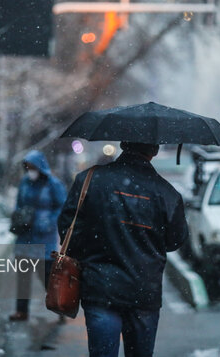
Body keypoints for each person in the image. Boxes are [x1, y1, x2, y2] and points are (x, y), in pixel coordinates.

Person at [57, 142, 189, 357]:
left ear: (123, 145)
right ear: (154, 151)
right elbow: (176, 241)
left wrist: (89, 255)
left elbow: (68, 227)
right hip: (144, 290)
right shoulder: (167, 193)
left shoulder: (90, 180)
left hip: (100, 287)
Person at [9, 150, 67, 322]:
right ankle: (21, 311)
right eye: (27, 167)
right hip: (25, 236)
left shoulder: (53, 184)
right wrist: (19, 217)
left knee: (47, 278)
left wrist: (48, 221)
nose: (30, 170)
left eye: (32, 167)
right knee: (23, 277)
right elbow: (19, 204)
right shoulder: (25, 183)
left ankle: (60, 309)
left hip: (44, 238)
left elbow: (62, 207)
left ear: (40, 166)